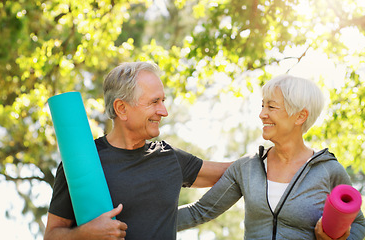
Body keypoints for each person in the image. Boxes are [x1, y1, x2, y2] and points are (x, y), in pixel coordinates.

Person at [44, 62, 232, 240]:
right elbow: (51, 235)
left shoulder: (169, 158)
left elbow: (234, 172)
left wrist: (261, 154)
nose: (164, 111)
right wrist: (84, 233)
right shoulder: (81, 163)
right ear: (121, 108)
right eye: (155, 102)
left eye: (163, 101)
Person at [177, 75, 365, 239]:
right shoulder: (247, 167)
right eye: (262, 106)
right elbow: (200, 211)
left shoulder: (328, 170)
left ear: (300, 116)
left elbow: (358, 224)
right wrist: (148, 221)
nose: (262, 114)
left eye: (271, 107)